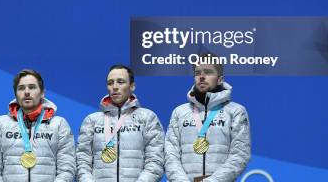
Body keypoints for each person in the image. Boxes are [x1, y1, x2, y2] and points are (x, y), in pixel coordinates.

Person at [165, 54, 251, 182]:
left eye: (208, 72)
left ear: (220, 79)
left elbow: (240, 155)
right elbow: (170, 154)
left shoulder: (236, 111)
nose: (202, 76)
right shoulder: (179, 112)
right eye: (197, 72)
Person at [0, 69, 76, 182]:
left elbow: (67, 169)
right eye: (21, 88)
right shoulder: (0, 123)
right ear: (16, 94)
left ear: (42, 93)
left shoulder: (59, 124)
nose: (26, 92)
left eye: (32, 87)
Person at [76, 64, 164, 182]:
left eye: (120, 82)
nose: (115, 87)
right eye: (110, 83)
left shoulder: (147, 117)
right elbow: (82, 160)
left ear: (132, 86)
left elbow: (156, 160)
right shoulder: (91, 121)